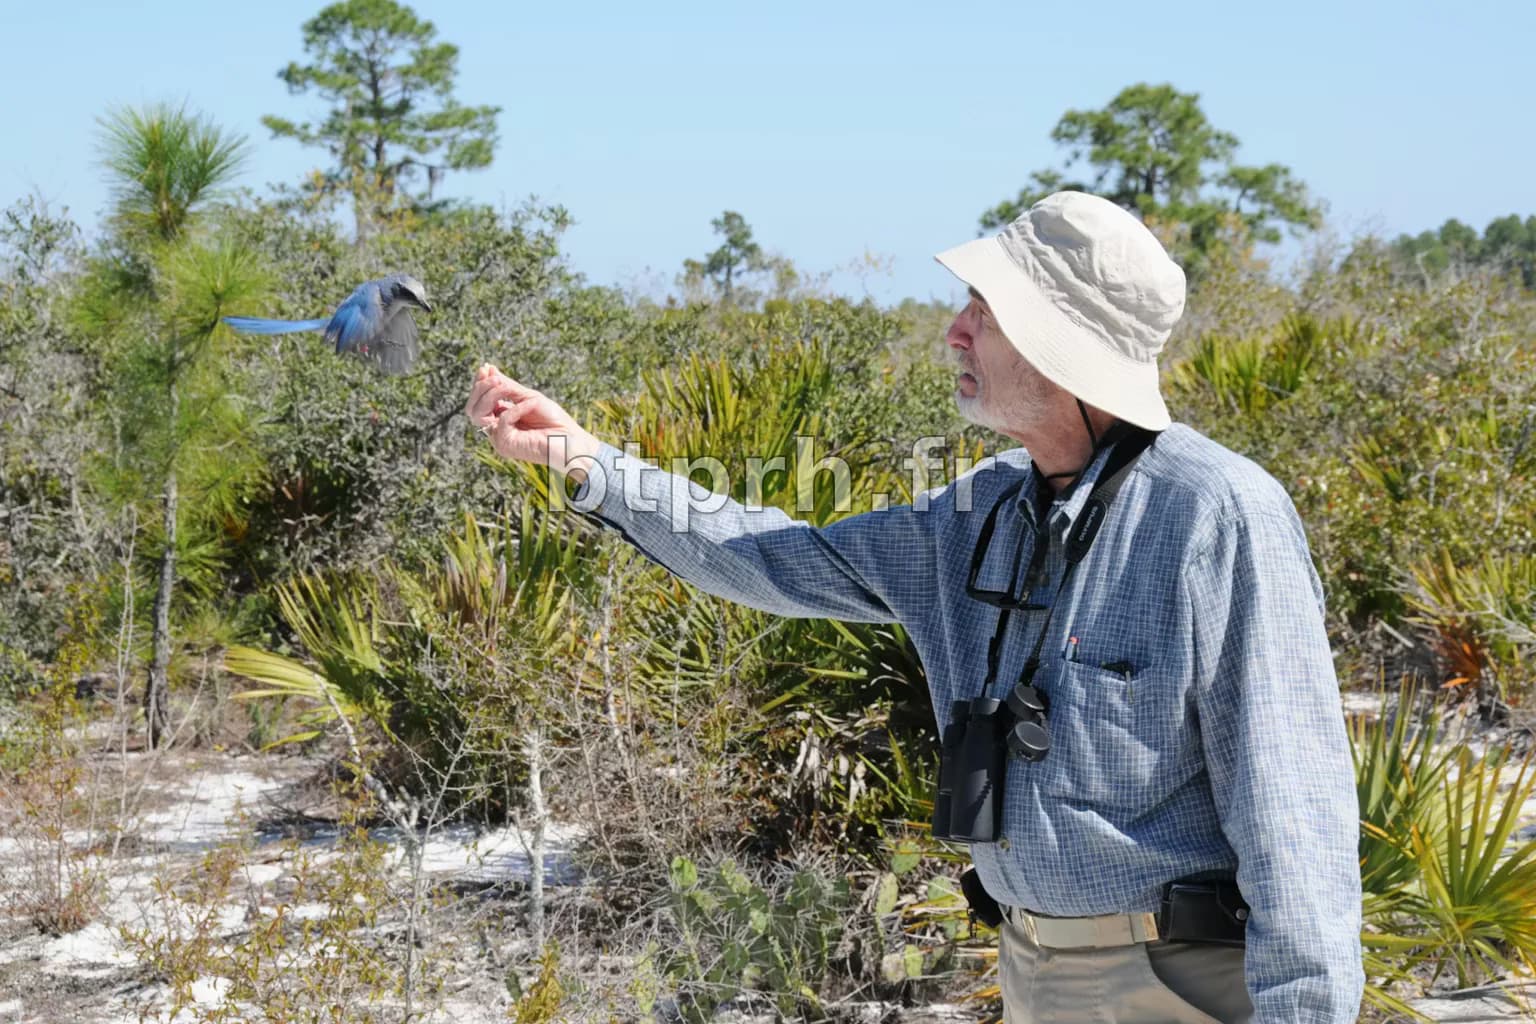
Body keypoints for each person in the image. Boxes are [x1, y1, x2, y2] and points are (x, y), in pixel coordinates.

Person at [463, 191, 1364, 1023]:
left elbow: (1293, 814)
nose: (954, 331)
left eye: (985, 312)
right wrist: (588, 462)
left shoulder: (1217, 514)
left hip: (1180, 984)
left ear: (1060, 342)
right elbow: (773, 559)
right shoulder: (977, 511)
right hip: (1030, 970)